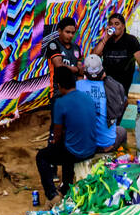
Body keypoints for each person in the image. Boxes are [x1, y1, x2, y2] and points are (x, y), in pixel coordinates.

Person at [35, 67, 96, 204]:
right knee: (67, 144)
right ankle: (66, 185)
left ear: (59, 85)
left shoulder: (60, 103)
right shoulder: (87, 98)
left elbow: (56, 135)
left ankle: (52, 195)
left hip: (76, 152)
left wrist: (54, 142)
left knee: (42, 156)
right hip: (91, 148)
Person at [77, 54, 128, 152]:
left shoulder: (77, 86)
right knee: (121, 131)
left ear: (85, 71)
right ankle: (121, 159)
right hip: (105, 145)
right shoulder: (114, 87)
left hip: (83, 145)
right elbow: (125, 103)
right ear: (102, 70)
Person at [96, 11, 140, 94]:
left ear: (123, 26)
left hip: (123, 85)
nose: (113, 26)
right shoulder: (106, 41)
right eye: (111, 24)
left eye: (117, 24)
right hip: (106, 84)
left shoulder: (131, 40)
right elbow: (94, 56)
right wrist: (105, 38)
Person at [45, 16, 84, 95]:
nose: (70, 35)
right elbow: (59, 65)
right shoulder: (53, 45)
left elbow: (80, 71)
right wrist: (75, 69)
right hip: (58, 92)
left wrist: (80, 89)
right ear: (59, 31)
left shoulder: (76, 48)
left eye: (73, 33)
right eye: (67, 32)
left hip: (74, 92)